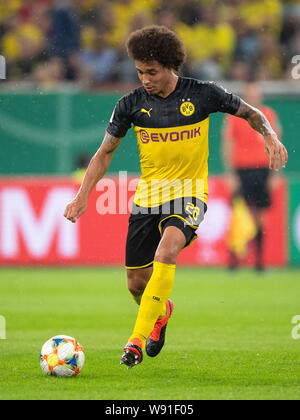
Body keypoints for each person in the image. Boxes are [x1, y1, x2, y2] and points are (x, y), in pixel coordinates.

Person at [64, 26, 288, 369]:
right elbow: (104, 153)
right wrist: (82, 197)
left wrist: (270, 136)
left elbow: (251, 113)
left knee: (166, 250)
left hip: (189, 195)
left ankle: (134, 342)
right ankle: (161, 311)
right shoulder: (130, 105)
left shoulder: (202, 94)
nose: (145, 79)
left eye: (151, 72)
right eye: (139, 72)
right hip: (149, 198)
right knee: (136, 285)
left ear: (171, 66)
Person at [222, 82, 282, 271]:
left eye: (256, 94)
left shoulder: (269, 115)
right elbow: (228, 144)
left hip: (262, 170)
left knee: (259, 217)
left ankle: (259, 261)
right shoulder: (235, 117)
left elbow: (276, 143)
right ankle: (234, 260)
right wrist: (231, 174)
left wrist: (274, 174)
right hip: (242, 170)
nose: (254, 97)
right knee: (238, 215)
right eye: (250, 94)